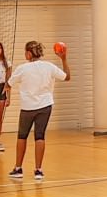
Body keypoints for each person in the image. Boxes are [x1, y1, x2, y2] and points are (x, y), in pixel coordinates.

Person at [7, 40, 68, 182]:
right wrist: (64, 59)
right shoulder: (49, 66)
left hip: (27, 107)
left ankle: (18, 168)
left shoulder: (22, 68)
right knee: (40, 136)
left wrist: (6, 91)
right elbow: (67, 76)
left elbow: (9, 83)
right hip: (45, 106)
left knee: (22, 136)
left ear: (28, 54)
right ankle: (38, 170)